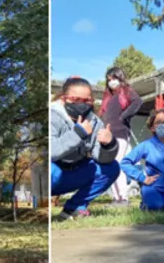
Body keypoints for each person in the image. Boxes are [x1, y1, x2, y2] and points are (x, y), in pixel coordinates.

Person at [50, 76, 120, 220]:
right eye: (76, 100)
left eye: (87, 100)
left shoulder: (95, 122)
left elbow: (100, 158)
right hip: (53, 175)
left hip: (75, 173)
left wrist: (109, 144)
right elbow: (51, 151)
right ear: (64, 99)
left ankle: (75, 208)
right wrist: (78, 134)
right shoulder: (51, 116)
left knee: (112, 168)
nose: (82, 105)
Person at [120, 109, 164, 211]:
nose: (162, 124)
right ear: (153, 128)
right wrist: (142, 178)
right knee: (155, 207)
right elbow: (125, 163)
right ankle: (146, 203)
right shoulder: (146, 145)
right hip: (153, 186)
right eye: (158, 122)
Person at [99, 67, 143, 207]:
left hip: (120, 134)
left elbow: (138, 102)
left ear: (120, 78)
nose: (111, 81)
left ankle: (123, 198)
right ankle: (116, 198)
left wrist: (123, 116)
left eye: (114, 78)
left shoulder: (126, 92)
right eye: (109, 79)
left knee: (117, 164)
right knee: (110, 165)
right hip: (107, 135)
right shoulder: (107, 97)